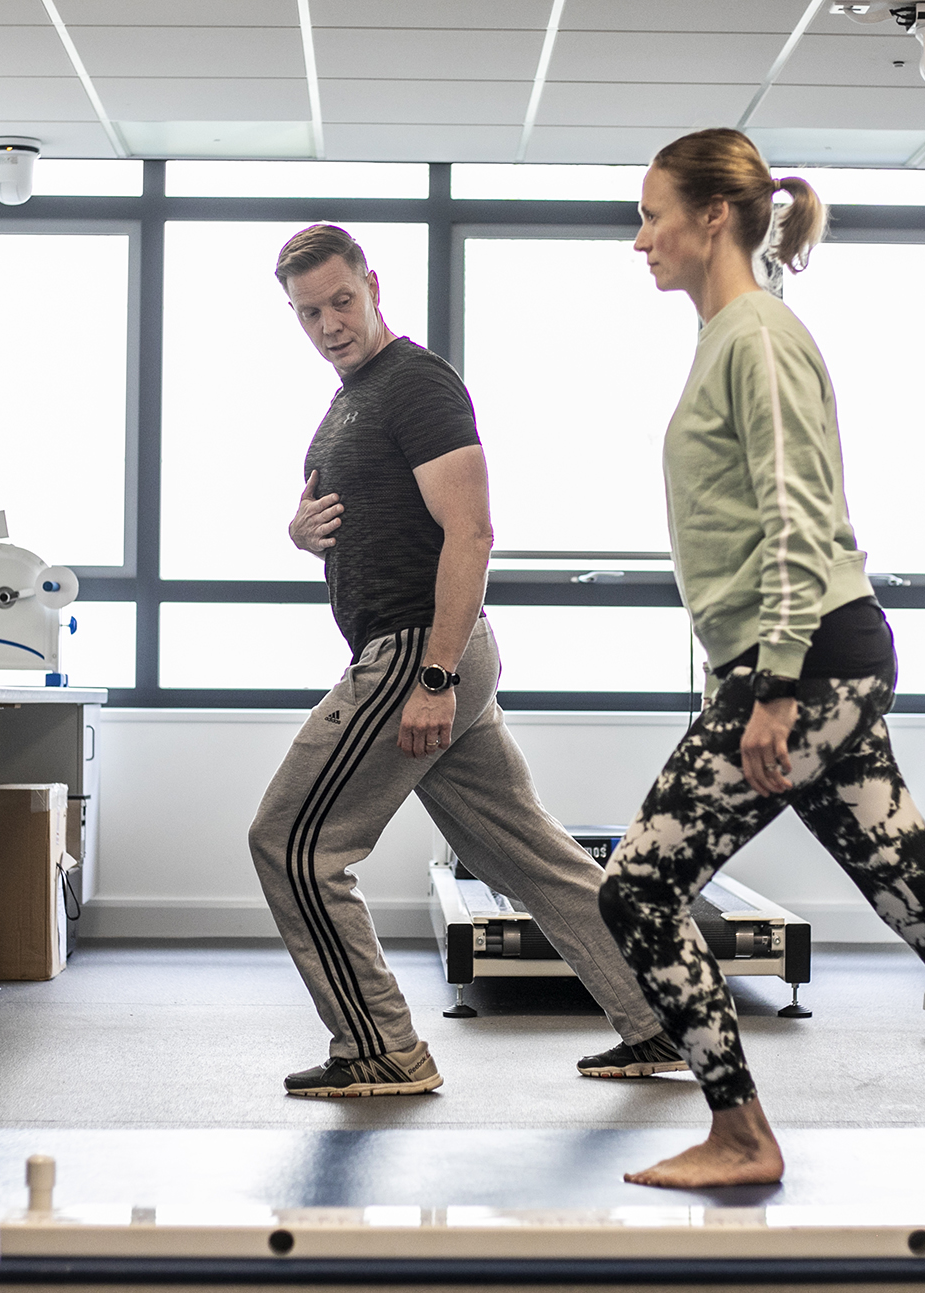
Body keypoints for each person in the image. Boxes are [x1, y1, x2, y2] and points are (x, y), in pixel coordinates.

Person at [598, 129, 925, 1187]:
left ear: (711, 218)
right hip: (806, 662)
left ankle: (739, 1136)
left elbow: (795, 518)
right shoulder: (731, 332)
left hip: (807, 667)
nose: (638, 235)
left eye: (652, 213)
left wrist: (773, 687)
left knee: (639, 886)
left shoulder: (756, 338)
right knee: (920, 901)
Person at [249, 223, 684, 1097]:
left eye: (342, 300)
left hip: (417, 651)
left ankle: (381, 1047)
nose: (330, 323)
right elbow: (348, 520)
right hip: (427, 650)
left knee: (293, 842)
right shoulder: (348, 402)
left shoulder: (416, 385)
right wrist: (300, 534)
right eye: (309, 312)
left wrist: (435, 675)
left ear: (372, 284)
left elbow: (473, 530)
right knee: (530, 855)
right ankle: (659, 1017)